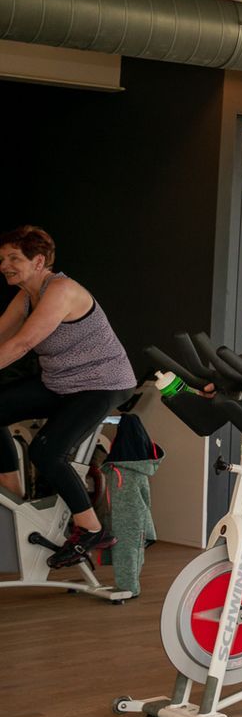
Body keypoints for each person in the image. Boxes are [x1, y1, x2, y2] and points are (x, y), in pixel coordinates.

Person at [0, 226, 138, 568]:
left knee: (46, 451)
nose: (4, 265)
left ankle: (91, 528)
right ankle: (13, 493)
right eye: (2, 259)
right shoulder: (25, 294)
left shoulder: (61, 290)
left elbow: (22, 343)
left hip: (101, 382)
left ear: (39, 260)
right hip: (61, 381)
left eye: (13, 258)